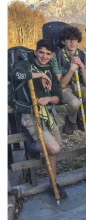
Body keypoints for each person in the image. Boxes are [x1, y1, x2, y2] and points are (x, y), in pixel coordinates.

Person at [13, 39, 67, 198]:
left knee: (55, 148)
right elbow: (17, 75)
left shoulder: (50, 69)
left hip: (46, 114)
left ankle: (53, 182)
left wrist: (49, 99)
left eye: (48, 54)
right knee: (53, 148)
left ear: (51, 56)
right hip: (30, 114)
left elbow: (58, 97)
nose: (44, 57)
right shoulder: (25, 63)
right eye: (41, 52)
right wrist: (40, 74)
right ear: (35, 51)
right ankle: (33, 146)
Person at [52, 26, 86, 135]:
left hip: (79, 85)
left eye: (75, 39)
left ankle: (81, 118)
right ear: (63, 41)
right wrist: (71, 69)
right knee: (75, 103)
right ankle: (71, 121)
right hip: (65, 88)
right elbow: (61, 84)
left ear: (78, 41)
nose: (72, 42)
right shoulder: (56, 56)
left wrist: (81, 66)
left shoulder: (82, 55)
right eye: (69, 39)